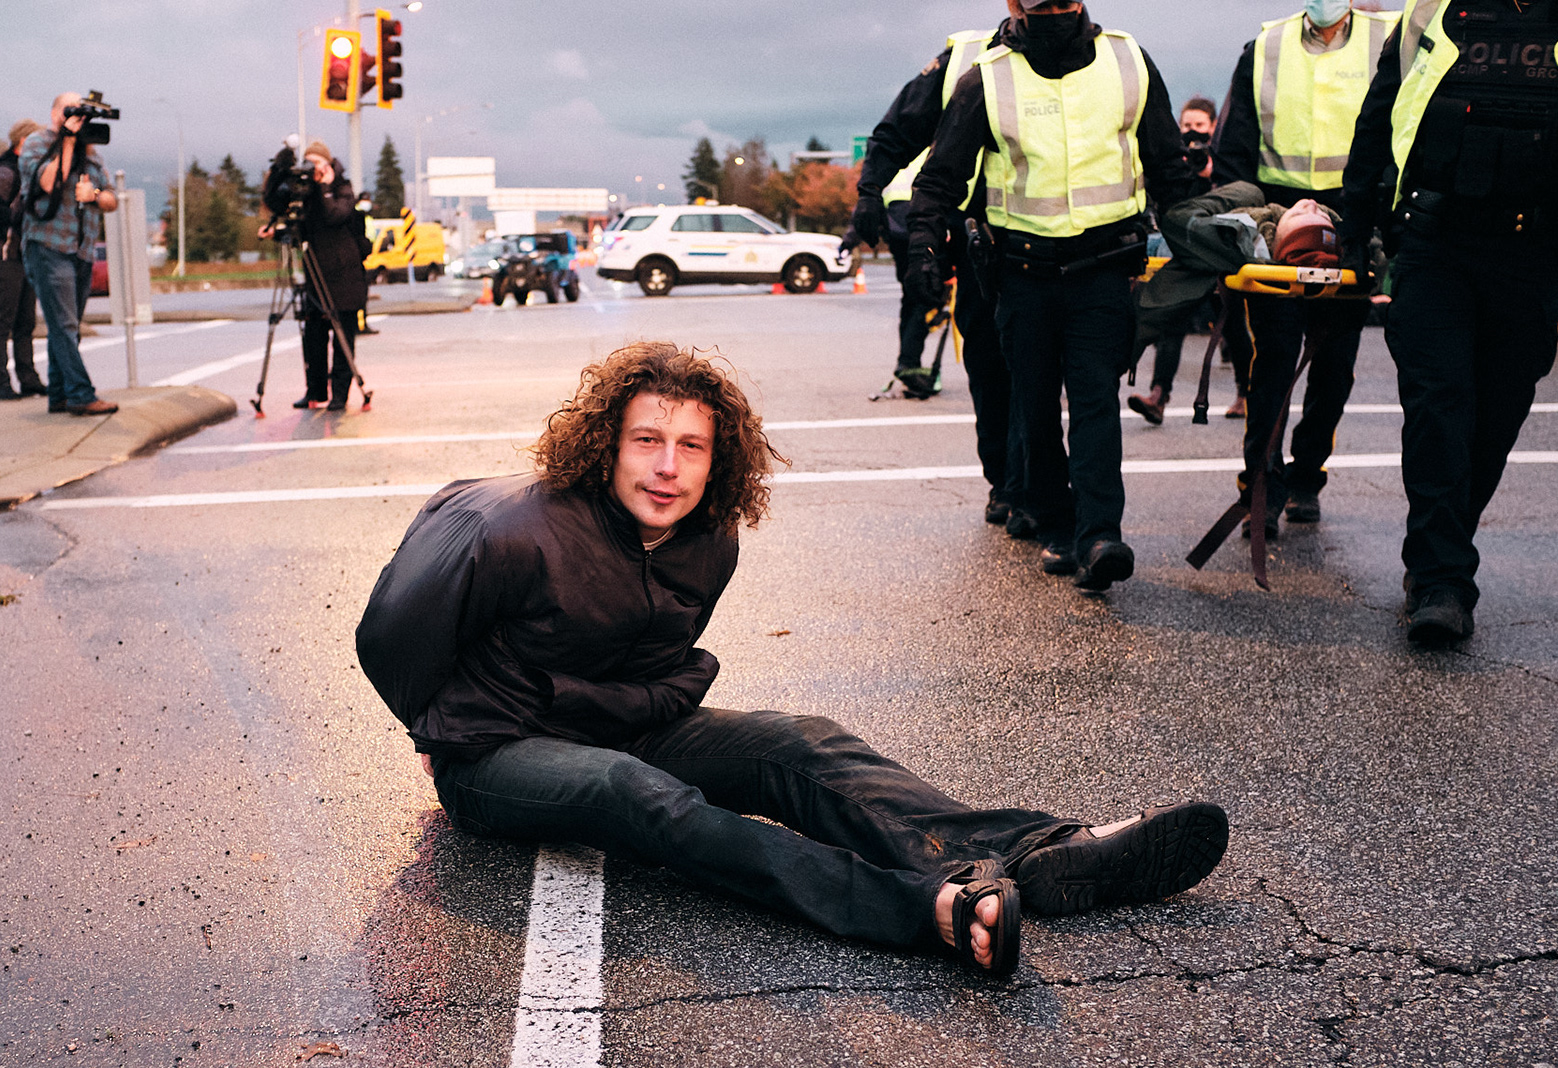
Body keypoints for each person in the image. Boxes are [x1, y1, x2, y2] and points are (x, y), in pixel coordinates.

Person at [356, 342, 1229, 978]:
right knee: (634, 795)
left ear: (717, 458)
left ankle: (1037, 851)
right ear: (605, 445)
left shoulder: (710, 539)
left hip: (626, 723)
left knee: (800, 743)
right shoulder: (506, 527)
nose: (667, 468)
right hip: (498, 755)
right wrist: (440, 731)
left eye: (690, 447)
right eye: (646, 441)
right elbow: (387, 638)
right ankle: (926, 909)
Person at [1341, 0, 1558, 647]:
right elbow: (1381, 110)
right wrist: (1355, 222)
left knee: (1496, 414)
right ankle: (1440, 580)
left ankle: (1442, 546)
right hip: (1435, 244)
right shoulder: (1432, 10)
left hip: (1535, 252)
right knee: (1440, 405)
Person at [907, 0, 1193, 591]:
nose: (1054, 12)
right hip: (1023, 274)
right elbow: (941, 175)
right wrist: (924, 248)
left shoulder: (1127, 61)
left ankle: (1099, 534)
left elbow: (1168, 165)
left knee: (1094, 401)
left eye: (1062, 2)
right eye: (1043, 4)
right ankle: (1058, 525)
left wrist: (1196, 239)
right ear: (1013, 6)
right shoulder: (989, 77)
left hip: (1104, 270)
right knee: (1033, 408)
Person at [1215, 1, 1399, 533]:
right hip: (1280, 227)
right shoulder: (1265, 49)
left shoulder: (1388, 41)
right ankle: (1263, 488)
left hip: (1352, 222)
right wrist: (1249, 227)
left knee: (1334, 365)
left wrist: (1378, 225)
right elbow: (1234, 150)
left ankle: (1307, 475)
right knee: (1271, 364)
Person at [850, 26, 1022, 529]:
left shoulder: (1095, 57)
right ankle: (1007, 482)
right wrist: (870, 191)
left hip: (1064, 247)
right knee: (990, 367)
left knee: (1043, 374)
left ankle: (1039, 488)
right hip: (978, 241)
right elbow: (898, 128)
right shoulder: (964, 55)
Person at [18, 92, 119, 418]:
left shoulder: (91, 153)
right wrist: (67, 140)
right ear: (54, 113)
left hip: (82, 250)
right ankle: (80, 395)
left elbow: (112, 201)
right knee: (63, 324)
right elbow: (48, 183)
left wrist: (96, 194)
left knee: (68, 327)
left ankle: (59, 395)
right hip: (48, 245)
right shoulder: (37, 143)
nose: (75, 117)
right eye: (69, 110)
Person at [1129, 95, 1221, 426]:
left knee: (1234, 327)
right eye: (1186, 126)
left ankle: (1245, 392)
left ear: (1212, 128)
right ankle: (1158, 396)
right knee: (1173, 323)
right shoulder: (1172, 161)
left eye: (1199, 127)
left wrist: (1210, 172)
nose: (1193, 134)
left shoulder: (1223, 161)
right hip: (1184, 255)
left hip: (1217, 253)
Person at [261, 141, 367, 410]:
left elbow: (332, 216)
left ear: (329, 165)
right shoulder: (307, 192)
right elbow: (277, 204)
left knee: (342, 338)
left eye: (316, 164)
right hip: (316, 275)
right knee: (314, 338)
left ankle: (340, 395)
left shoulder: (342, 190)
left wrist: (322, 188)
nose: (312, 171)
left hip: (344, 277)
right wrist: (278, 171)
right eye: (307, 164)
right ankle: (315, 391)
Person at [0, 119, 46, 402]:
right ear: (23, 143)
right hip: (5, 255)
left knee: (25, 321)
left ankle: (29, 379)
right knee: (3, 321)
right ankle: (2, 383)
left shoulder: (26, 170)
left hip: (24, 254)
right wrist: (19, 218)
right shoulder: (6, 171)